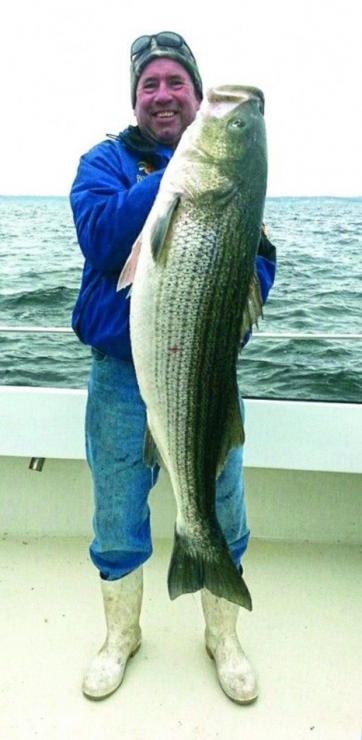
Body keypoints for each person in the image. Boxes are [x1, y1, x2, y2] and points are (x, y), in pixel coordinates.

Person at [70, 31, 276, 704]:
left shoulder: (232, 190)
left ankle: (224, 633)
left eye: (177, 83)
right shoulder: (104, 164)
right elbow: (103, 240)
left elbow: (260, 259)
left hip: (207, 370)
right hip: (119, 378)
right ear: (135, 100)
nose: (164, 94)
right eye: (149, 85)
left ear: (195, 92)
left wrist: (234, 301)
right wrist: (173, 180)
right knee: (117, 511)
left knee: (222, 501)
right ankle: (120, 634)